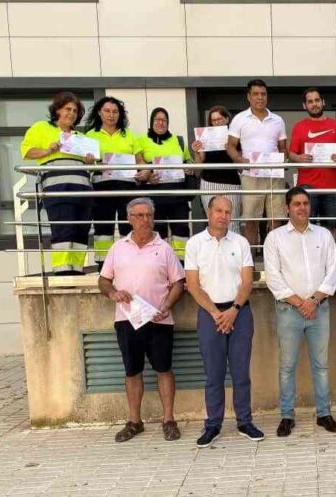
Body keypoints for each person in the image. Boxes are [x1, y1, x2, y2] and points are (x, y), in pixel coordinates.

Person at [97, 197, 185, 443]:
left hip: (159, 320)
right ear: (129, 219)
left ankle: (169, 420)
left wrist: (167, 305)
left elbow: (179, 283)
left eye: (149, 215)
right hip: (127, 319)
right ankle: (135, 422)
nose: (145, 220)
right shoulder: (117, 248)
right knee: (132, 371)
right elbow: (103, 280)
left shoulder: (164, 248)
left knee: (164, 370)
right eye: (140, 215)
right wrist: (113, 293)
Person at [185, 196, 264, 445]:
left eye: (228, 212)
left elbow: (248, 281)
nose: (223, 215)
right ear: (208, 212)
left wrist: (233, 310)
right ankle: (213, 425)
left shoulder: (240, 242)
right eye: (218, 210)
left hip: (239, 313)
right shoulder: (195, 244)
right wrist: (215, 313)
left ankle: (245, 421)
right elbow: (193, 285)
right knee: (214, 375)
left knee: (241, 373)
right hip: (210, 314)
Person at [263, 187, 336, 437]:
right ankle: (287, 416)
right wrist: (301, 303)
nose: (302, 207)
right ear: (287, 208)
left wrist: (314, 301)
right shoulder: (274, 238)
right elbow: (273, 277)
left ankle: (324, 414)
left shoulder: (324, 235)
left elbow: (332, 273)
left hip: (319, 309)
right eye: (296, 204)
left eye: (305, 203)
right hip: (289, 311)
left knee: (322, 365)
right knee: (287, 366)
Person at [20, 92, 95, 275]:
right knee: (63, 230)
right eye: (68, 109)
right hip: (58, 188)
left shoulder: (80, 137)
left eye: (75, 111)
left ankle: (76, 270)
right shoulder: (41, 128)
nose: (71, 113)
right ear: (57, 110)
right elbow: (27, 151)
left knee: (80, 232)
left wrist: (90, 161)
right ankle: (62, 272)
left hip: (82, 189)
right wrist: (48, 150)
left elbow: (90, 166)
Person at [84, 96, 145, 269]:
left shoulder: (130, 135)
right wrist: (89, 162)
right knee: (103, 226)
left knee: (128, 224)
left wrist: (145, 171)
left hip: (127, 186)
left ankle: (130, 261)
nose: (111, 115)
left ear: (120, 114)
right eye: (107, 111)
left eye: (115, 112)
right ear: (99, 113)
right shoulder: (90, 136)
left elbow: (140, 161)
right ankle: (103, 265)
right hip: (102, 186)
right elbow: (85, 164)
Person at [227, 79, 288, 246]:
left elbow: (283, 148)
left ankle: (274, 255)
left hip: (274, 176)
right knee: (251, 220)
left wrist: (282, 160)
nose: (260, 97)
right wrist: (240, 160)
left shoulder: (278, 120)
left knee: (276, 219)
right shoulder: (239, 119)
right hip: (251, 176)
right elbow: (230, 146)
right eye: (256, 94)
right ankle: (251, 257)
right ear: (249, 97)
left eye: (263, 94)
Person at [289, 87, 336, 239]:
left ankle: (331, 255)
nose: (314, 104)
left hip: (332, 186)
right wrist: (299, 158)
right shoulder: (299, 127)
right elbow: (291, 154)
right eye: (310, 102)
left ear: (323, 102)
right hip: (307, 186)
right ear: (305, 106)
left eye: (317, 100)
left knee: (332, 226)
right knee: (306, 226)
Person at [139, 107, 193, 262]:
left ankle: (181, 266)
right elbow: (139, 164)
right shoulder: (142, 140)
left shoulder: (178, 140)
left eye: (164, 120)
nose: (161, 123)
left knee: (181, 232)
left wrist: (189, 167)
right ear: (151, 121)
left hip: (178, 196)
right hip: (155, 196)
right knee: (157, 233)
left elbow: (188, 161)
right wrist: (148, 175)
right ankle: (160, 264)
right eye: (157, 119)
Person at [192, 105, 241, 233]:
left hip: (231, 183)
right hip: (209, 182)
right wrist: (196, 151)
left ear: (227, 119)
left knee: (232, 221)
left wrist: (230, 149)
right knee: (213, 220)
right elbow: (198, 165)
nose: (217, 122)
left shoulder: (234, 137)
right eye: (213, 120)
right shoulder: (205, 136)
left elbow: (240, 163)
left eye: (219, 119)